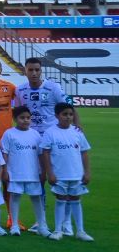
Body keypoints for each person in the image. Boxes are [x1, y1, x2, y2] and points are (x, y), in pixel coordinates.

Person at [40, 102, 92, 241]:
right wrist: (49, 172)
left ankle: (80, 231)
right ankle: (58, 230)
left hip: (76, 174)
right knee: (60, 199)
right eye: (65, 114)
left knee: (76, 199)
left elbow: (84, 152)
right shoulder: (50, 132)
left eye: (70, 114)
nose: (68, 117)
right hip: (59, 174)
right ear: (57, 116)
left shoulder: (77, 132)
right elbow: (45, 153)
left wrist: (87, 172)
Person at [1, 106, 48, 236]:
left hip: (33, 173)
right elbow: (4, 153)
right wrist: (5, 171)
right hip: (15, 173)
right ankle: (14, 225)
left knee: (36, 198)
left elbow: (40, 154)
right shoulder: (9, 133)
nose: (26, 120)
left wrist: (43, 171)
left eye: (28, 118)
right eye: (22, 118)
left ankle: (41, 226)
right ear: (15, 119)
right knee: (15, 198)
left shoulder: (35, 134)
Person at [14, 57, 73, 135]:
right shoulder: (19, 90)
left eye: (37, 70)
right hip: (31, 135)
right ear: (25, 71)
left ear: (41, 71)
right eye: (30, 70)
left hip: (51, 134)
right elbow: (17, 113)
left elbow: (69, 106)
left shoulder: (54, 87)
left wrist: (77, 125)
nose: (34, 73)